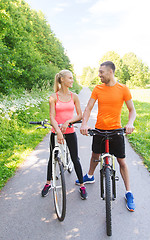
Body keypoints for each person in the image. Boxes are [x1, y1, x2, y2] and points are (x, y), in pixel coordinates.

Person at [77, 61, 136, 211]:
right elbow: (89, 108)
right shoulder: (98, 88)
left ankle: (129, 192)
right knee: (95, 156)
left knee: (122, 161)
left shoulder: (123, 89)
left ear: (110, 72)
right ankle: (90, 176)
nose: (99, 75)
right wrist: (84, 124)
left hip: (116, 131)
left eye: (101, 72)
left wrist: (130, 123)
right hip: (100, 130)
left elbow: (132, 110)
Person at [41, 69, 87, 200]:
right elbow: (52, 117)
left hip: (70, 131)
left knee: (75, 158)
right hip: (56, 131)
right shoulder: (53, 97)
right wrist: (58, 132)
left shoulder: (75, 96)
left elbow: (79, 115)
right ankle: (48, 183)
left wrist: (68, 121)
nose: (72, 80)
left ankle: (82, 185)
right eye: (70, 78)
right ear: (62, 80)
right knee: (52, 157)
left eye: (72, 78)